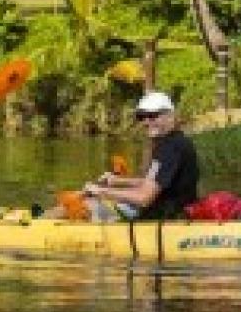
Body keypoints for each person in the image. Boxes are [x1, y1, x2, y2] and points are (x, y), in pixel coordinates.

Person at [52, 91, 199, 221]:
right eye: (142, 117)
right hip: (172, 210)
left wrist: (102, 192)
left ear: (170, 115)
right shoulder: (177, 141)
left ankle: (36, 228)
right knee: (91, 199)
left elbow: (144, 199)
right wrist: (117, 181)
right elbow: (154, 183)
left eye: (153, 116)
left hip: (163, 216)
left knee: (78, 205)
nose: (147, 122)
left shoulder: (169, 149)